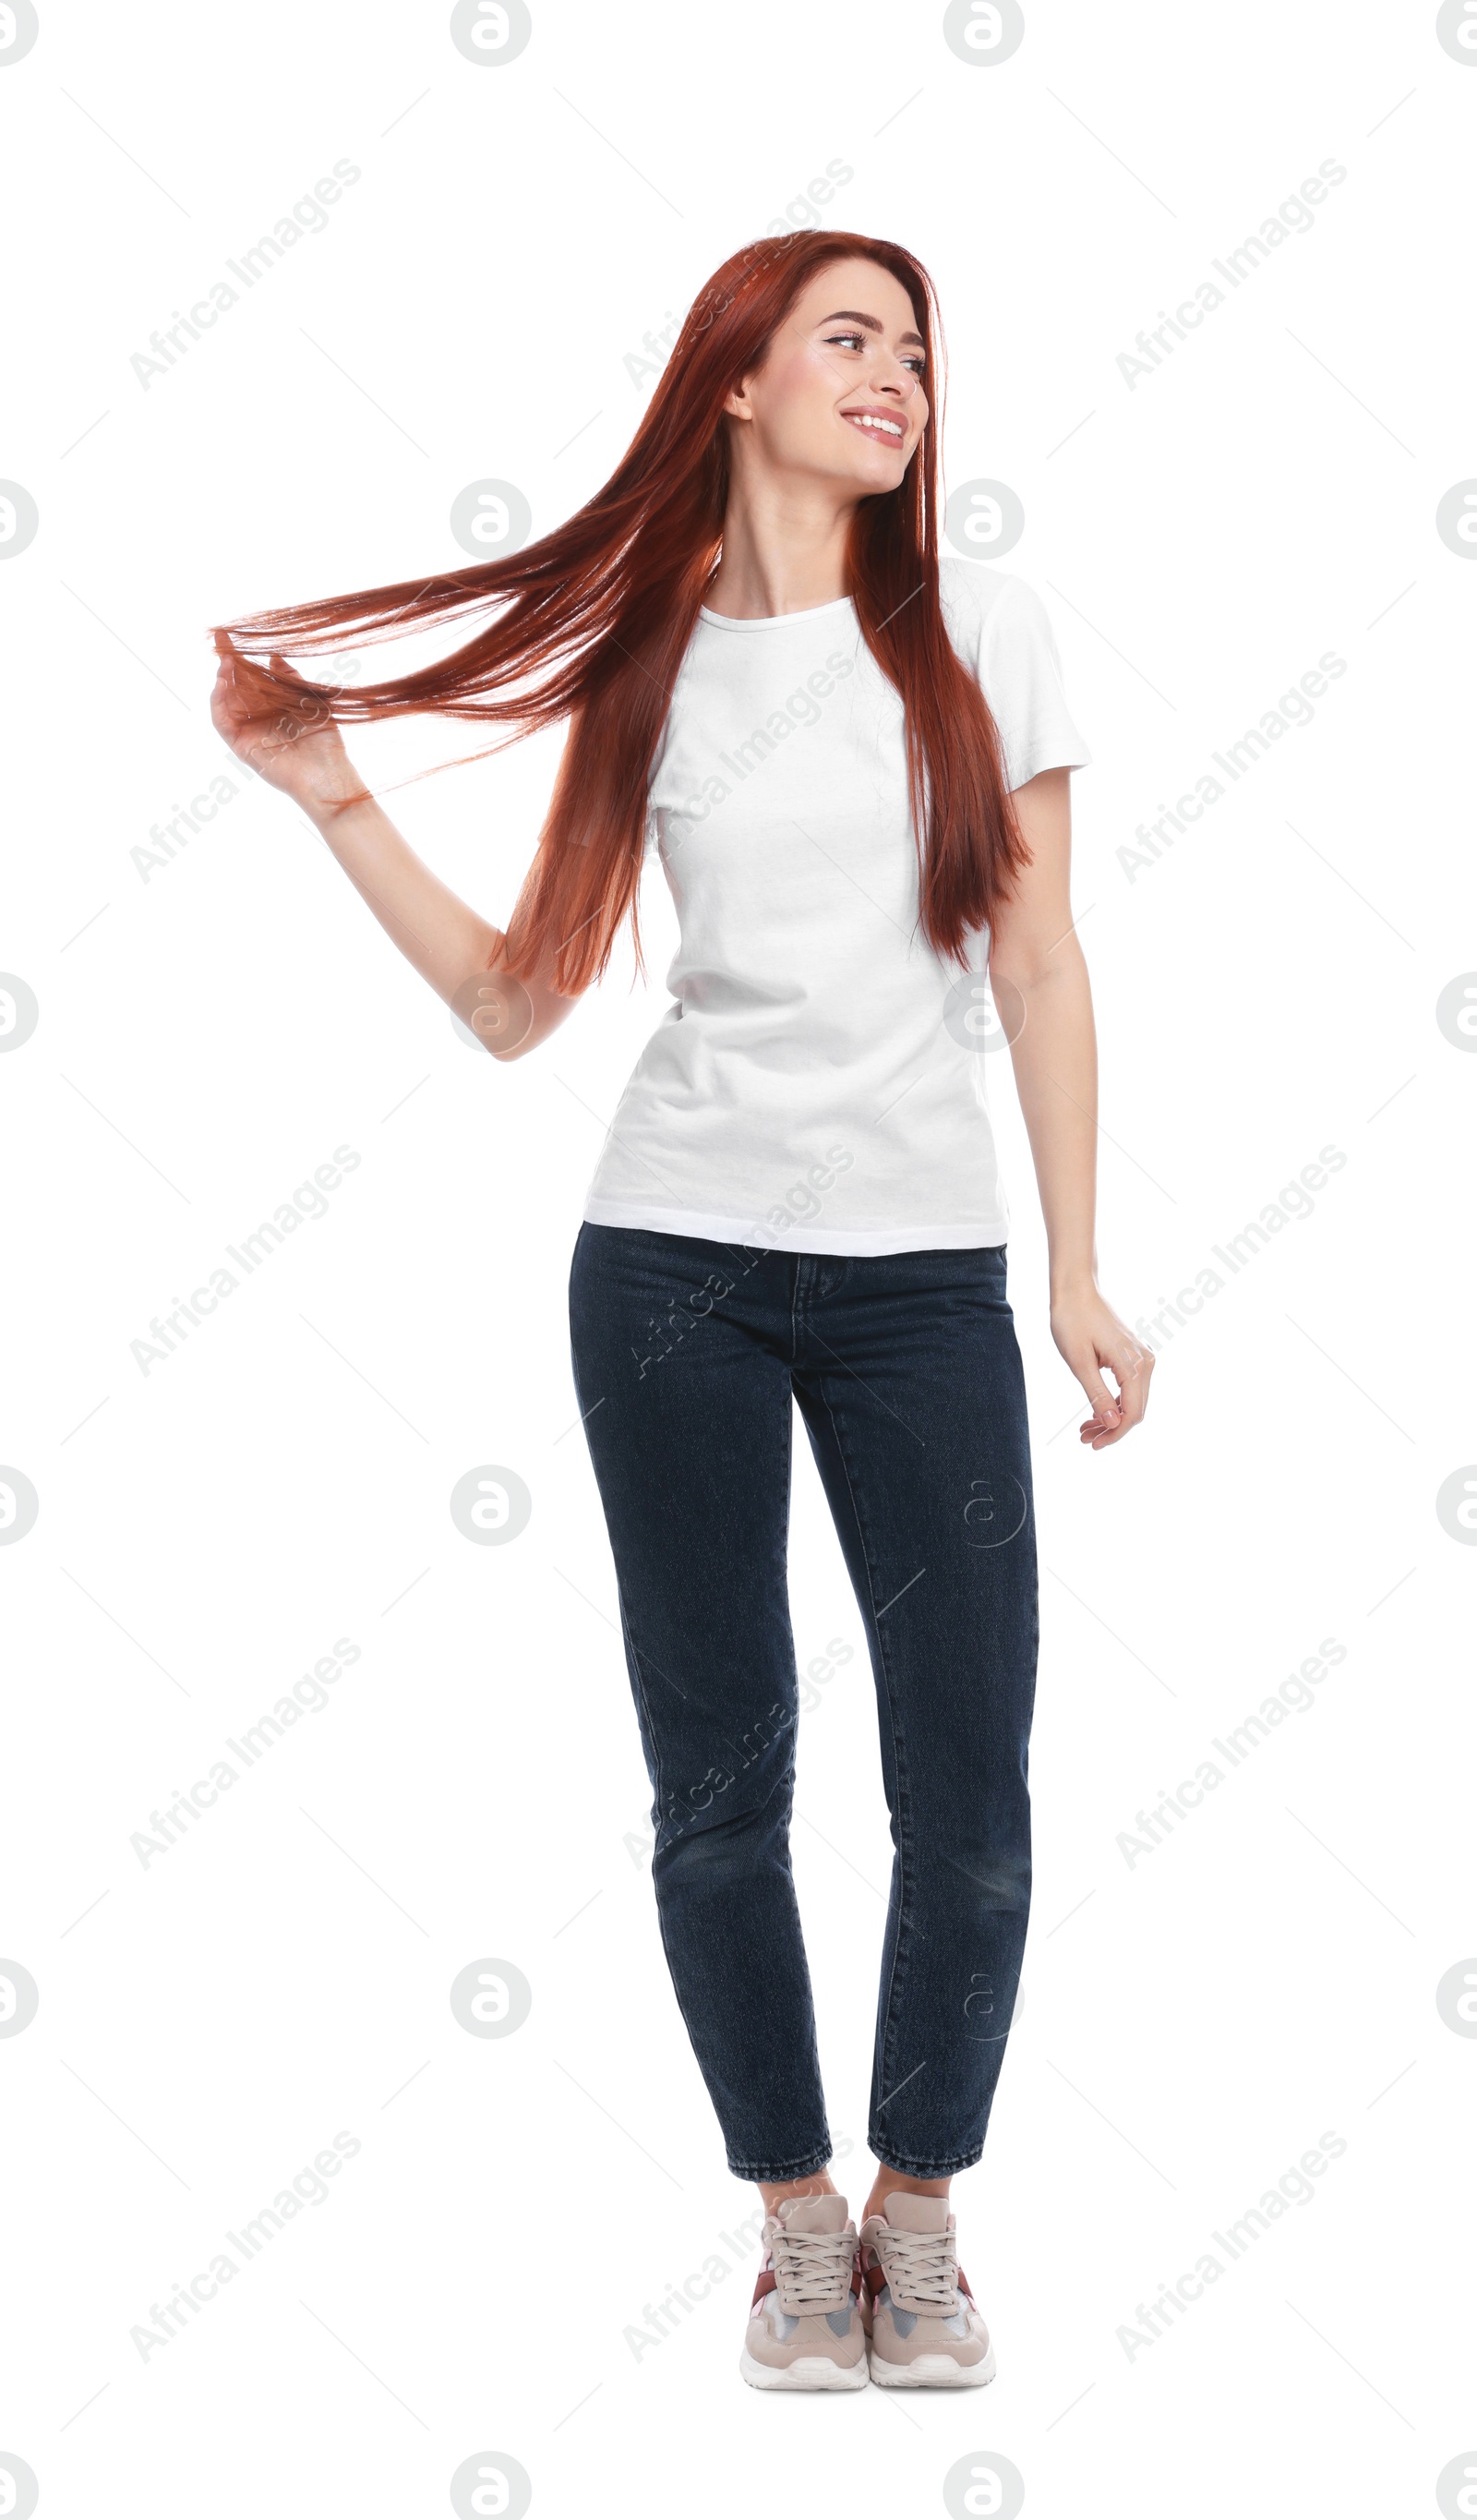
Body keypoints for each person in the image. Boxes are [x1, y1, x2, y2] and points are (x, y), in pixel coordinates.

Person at [210, 228, 1152, 2393]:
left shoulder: (980, 629)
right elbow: (516, 1005)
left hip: (921, 1280)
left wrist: (1076, 1270)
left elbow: (1035, 965)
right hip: (671, 1270)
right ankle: (790, 2228)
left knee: (968, 1783)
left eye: (914, 348)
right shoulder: (650, 659)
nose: (895, 375)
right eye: (848, 338)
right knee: (718, 1784)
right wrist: (336, 795)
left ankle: (920, 2215)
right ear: (734, 378)